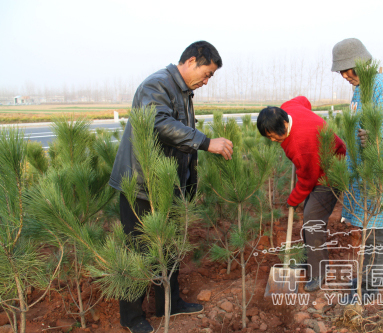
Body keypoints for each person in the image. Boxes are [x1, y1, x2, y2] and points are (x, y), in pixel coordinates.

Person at [109, 41, 233, 333]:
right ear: (191, 61)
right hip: (141, 184)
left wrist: (187, 184)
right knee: (139, 250)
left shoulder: (182, 91)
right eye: (207, 73)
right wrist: (206, 142)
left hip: (168, 186)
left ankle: (170, 303)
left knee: (170, 247)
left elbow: (179, 145)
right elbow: (158, 124)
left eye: (211, 76)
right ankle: (131, 317)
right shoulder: (157, 85)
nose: (207, 80)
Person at [331, 38, 383, 301]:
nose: (343, 76)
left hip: (380, 171)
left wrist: (374, 137)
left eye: (346, 70)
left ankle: (370, 289)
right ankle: (366, 276)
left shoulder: (381, 85)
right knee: (368, 228)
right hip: (364, 171)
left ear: (359, 64)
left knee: (377, 230)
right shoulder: (361, 88)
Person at [256, 96, 346, 292]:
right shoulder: (288, 108)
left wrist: (293, 200)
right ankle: (309, 259)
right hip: (316, 163)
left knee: (312, 219)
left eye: (274, 135)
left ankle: (319, 271)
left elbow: (307, 180)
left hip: (331, 171)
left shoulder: (300, 145)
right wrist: (311, 118)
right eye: (268, 136)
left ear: (284, 123)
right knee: (309, 216)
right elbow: (303, 100)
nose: (272, 140)